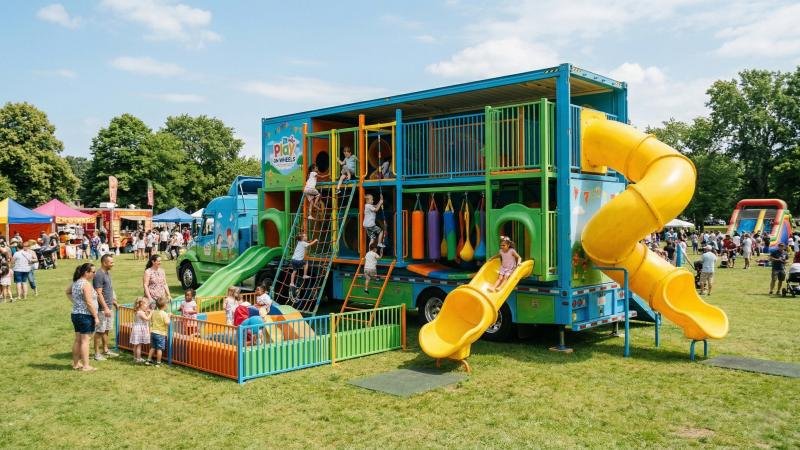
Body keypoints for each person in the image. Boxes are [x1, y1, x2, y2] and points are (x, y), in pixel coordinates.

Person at [67, 263, 99, 371]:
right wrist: (96, 317)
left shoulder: (76, 282)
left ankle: (76, 364)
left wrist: (76, 303)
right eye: (93, 272)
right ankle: (86, 366)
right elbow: (89, 302)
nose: (94, 274)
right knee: (85, 341)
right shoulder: (86, 284)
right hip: (85, 315)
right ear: (86, 272)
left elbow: (67, 292)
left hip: (76, 314)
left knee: (78, 340)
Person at [93, 254, 119, 361]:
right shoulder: (99, 275)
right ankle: (97, 354)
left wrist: (114, 302)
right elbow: (99, 293)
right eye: (111, 262)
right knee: (99, 331)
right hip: (102, 309)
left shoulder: (107, 273)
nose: (113, 264)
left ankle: (106, 350)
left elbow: (109, 290)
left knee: (106, 330)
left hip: (108, 306)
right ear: (104, 263)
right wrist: (105, 308)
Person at [146, 297, 170, 366]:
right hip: (160, 334)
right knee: (159, 349)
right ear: (165, 306)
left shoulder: (154, 312)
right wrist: (169, 317)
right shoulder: (164, 314)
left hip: (153, 332)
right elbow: (167, 323)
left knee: (153, 347)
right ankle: (158, 362)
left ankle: (148, 360)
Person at [130, 297, 151, 363]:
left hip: (136, 329)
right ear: (141, 304)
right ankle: (138, 358)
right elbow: (147, 319)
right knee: (139, 345)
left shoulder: (138, 311)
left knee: (135, 345)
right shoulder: (140, 312)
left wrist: (147, 312)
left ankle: (135, 357)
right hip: (139, 330)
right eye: (146, 304)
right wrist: (151, 313)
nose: (147, 306)